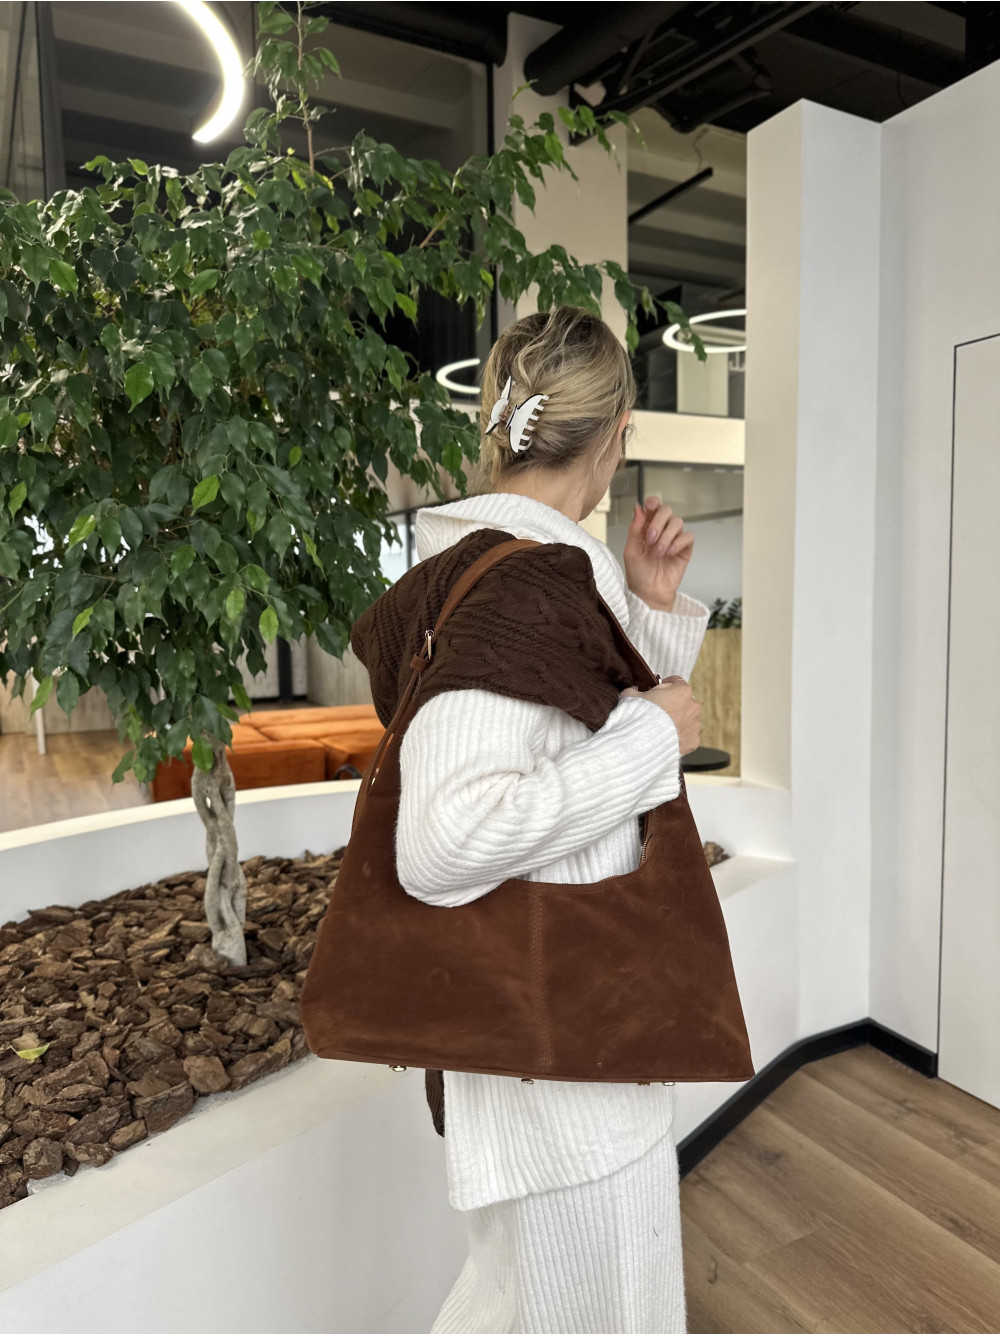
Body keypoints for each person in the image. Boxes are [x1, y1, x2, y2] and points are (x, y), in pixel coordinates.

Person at [396, 306, 708, 1334]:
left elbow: (563, 729)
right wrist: (653, 736)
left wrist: (646, 609)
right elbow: (443, 841)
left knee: (520, 1302)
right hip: (566, 1064)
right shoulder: (527, 582)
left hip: (556, 1036)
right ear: (617, 433)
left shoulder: (513, 567)